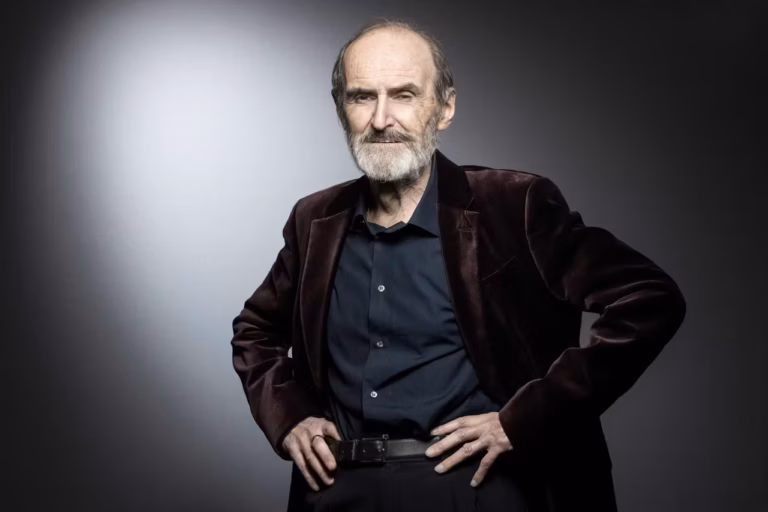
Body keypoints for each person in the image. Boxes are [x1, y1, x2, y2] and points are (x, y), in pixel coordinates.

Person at [230, 19, 686, 512]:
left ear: (445, 107)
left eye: (404, 95)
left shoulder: (514, 205)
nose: (381, 118)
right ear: (342, 108)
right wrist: (289, 416)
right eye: (362, 97)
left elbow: (649, 299)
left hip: (483, 490)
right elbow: (255, 330)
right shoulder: (315, 219)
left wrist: (525, 418)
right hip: (339, 492)